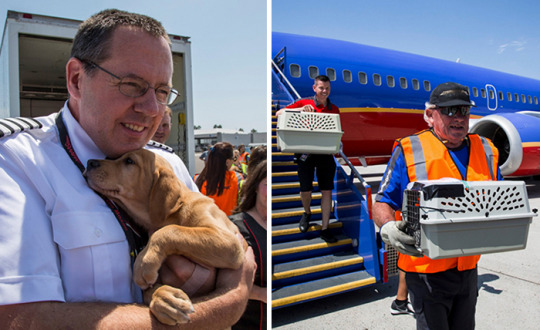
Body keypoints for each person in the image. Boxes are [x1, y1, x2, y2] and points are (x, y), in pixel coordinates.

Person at [0, 9, 256, 329]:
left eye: (162, 92)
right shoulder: (14, 161)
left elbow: (229, 248)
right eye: (131, 84)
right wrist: (231, 302)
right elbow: (21, 321)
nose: (151, 109)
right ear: (77, 80)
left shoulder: (167, 162)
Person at [373, 82, 502, 329]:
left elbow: (499, 198)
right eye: (449, 110)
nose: (458, 118)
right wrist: (387, 227)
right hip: (425, 271)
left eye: (463, 110)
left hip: (468, 267)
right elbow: (382, 201)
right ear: (430, 115)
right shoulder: (410, 149)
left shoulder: (487, 151)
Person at [275, 75, 340, 243]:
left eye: (327, 88)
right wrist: (300, 110)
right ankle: (307, 212)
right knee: (306, 191)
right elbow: (279, 113)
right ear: (314, 88)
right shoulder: (304, 103)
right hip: (306, 153)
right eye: (321, 88)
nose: (324, 91)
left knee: (327, 191)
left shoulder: (334, 109)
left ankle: (325, 228)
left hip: (325, 154)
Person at [230, 160, 267, 330]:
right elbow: (225, 283)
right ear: (255, 187)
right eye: (268, 184)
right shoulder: (236, 226)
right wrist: (260, 294)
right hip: (247, 321)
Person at [195, 141, 239, 216]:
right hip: (229, 225)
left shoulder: (197, 179)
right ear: (227, 162)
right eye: (233, 159)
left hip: (205, 225)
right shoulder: (237, 178)